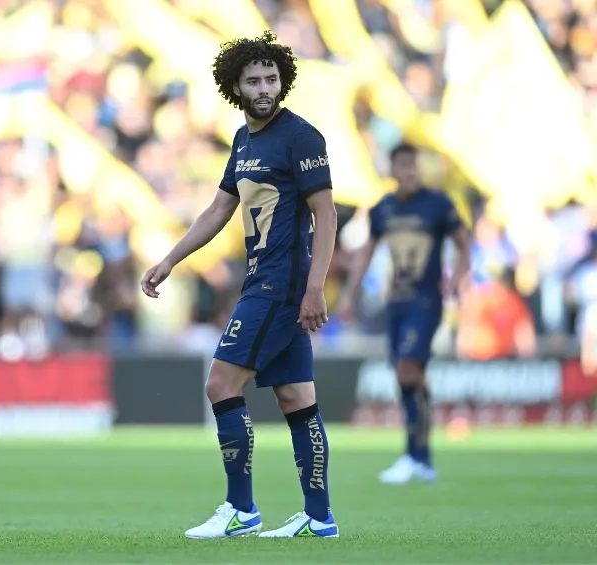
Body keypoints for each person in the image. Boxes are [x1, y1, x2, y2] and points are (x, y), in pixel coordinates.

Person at [141, 31, 339, 539]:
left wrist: (315, 287)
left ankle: (240, 509)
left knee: (220, 385)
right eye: (253, 80)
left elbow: (326, 214)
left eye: (271, 78)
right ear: (235, 86)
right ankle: (319, 517)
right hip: (263, 280)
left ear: (283, 81)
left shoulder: (301, 137)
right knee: (296, 398)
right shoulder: (244, 140)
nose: (264, 87)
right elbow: (218, 210)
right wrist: (170, 260)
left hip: (279, 286)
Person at [337, 142, 471, 484]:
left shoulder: (438, 204)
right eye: (403, 165)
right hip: (396, 302)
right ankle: (420, 456)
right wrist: (349, 295)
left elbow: (463, 242)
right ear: (393, 170)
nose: (410, 171)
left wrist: (457, 277)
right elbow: (367, 253)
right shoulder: (383, 209)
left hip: (426, 302)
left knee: (407, 369)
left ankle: (415, 456)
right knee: (406, 376)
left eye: (414, 165)